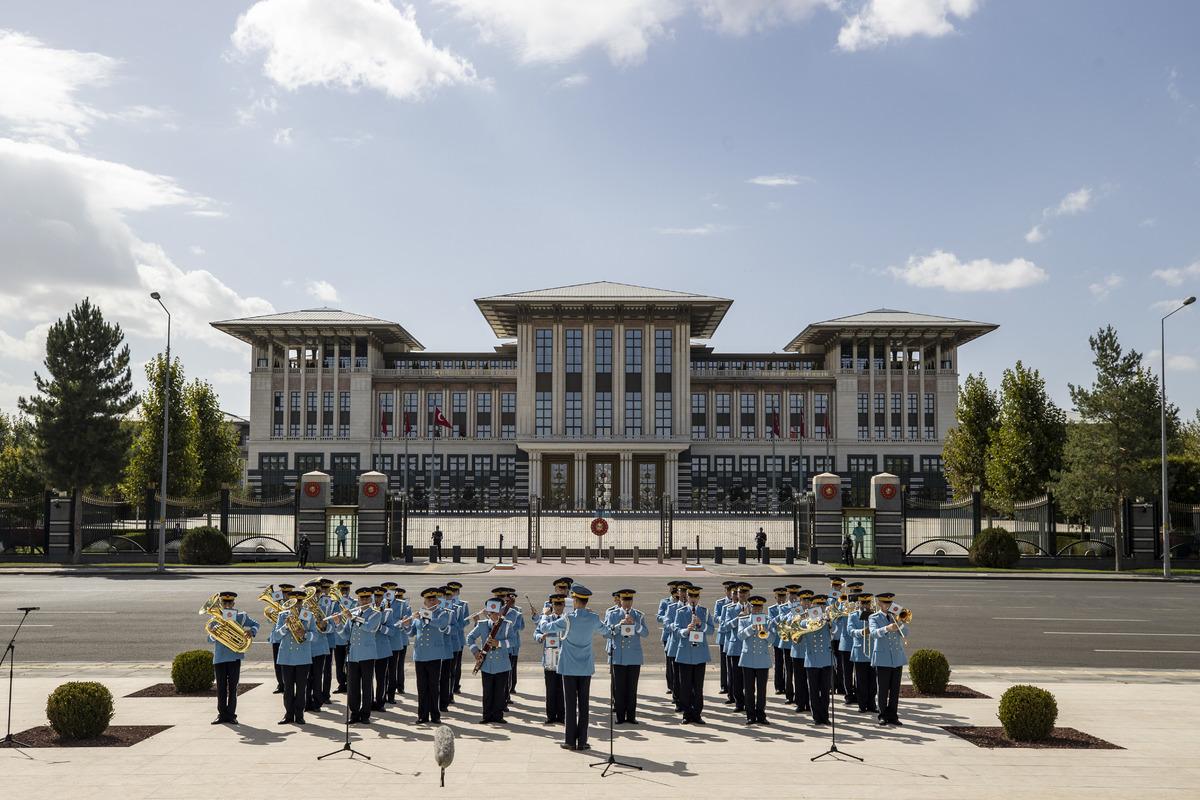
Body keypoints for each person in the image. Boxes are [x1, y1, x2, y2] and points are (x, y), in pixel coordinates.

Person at [539, 582, 603, 751]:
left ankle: (569, 740)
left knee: (570, 705)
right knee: (584, 705)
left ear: (574, 600)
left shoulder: (567, 619)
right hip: (585, 667)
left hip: (568, 667)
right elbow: (607, 631)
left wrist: (545, 614)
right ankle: (582, 741)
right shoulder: (593, 617)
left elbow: (545, 627)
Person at [207, 591, 259, 725]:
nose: (227, 605)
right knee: (221, 687)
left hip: (235, 657)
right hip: (219, 657)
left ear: (234, 603)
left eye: (230, 603)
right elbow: (209, 639)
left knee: (233, 687)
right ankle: (221, 714)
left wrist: (251, 632)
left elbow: (256, 624)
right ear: (221, 603)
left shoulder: (241, 616)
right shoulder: (215, 619)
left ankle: (231, 715)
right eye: (225, 602)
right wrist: (215, 633)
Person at [404, 586, 451, 724]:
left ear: (437, 600)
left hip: (434, 655)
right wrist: (407, 624)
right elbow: (412, 632)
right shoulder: (419, 614)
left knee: (433, 687)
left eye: (434, 598)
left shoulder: (443, 613)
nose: (431, 601)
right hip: (420, 655)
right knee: (422, 687)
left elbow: (440, 624)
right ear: (424, 601)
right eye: (428, 599)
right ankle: (422, 715)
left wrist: (425, 615)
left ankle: (435, 715)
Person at [670, 584, 714, 725]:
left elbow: (711, 630)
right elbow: (676, 630)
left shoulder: (704, 611)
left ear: (699, 597)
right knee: (685, 686)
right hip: (684, 653)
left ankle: (697, 714)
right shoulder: (681, 611)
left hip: (700, 654)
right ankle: (687, 713)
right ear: (687, 597)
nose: (693, 599)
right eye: (691, 596)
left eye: (696, 596)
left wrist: (701, 624)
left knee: (698, 686)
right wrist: (686, 630)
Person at [604, 589, 648, 725]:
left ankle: (631, 716)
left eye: (629, 600)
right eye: (624, 600)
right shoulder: (613, 614)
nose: (627, 604)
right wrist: (619, 625)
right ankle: (620, 716)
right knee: (619, 687)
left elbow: (645, 633)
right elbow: (606, 633)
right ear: (620, 601)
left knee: (632, 688)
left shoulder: (638, 615)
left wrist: (635, 624)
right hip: (619, 656)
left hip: (634, 657)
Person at [273, 588, 317, 725]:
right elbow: (275, 636)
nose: (296, 604)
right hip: (286, 656)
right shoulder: (282, 615)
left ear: (302, 601)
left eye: (299, 601)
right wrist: (285, 627)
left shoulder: (308, 615)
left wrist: (304, 634)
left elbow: (315, 636)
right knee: (288, 688)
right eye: (294, 601)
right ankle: (288, 714)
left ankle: (299, 715)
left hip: (303, 657)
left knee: (301, 688)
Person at [339, 586, 381, 724]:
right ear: (358, 599)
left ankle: (365, 715)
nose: (364, 600)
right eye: (362, 598)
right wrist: (338, 624)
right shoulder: (354, 612)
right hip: (353, 655)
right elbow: (346, 634)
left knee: (366, 686)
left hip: (367, 655)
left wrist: (354, 618)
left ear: (371, 599)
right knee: (352, 687)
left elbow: (369, 627)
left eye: (367, 598)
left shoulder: (375, 613)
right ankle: (354, 713)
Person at [467, 598, 513, 724]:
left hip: (502, 664)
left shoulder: (507, 624)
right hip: (487, 664)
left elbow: (515, 641)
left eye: (497, 613)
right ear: (488, 613)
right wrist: (475, 651)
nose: (495, 616)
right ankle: (487, 715)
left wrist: (500, 643)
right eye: (492, 613)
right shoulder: (482, 624)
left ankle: (498, 716)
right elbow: (469, 638)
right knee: (487, 691)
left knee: (500, 692)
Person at [870, 591, 908, 727]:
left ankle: (893, 715)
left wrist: (900, 622)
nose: (888, 605)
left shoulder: (895, 617)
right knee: (883, 688)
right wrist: (887, 628)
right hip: (882, 657)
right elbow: (873, 634)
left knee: (895, 689)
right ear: (879, 603)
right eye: (885, 603)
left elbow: (906, 633)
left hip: (896, 658)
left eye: (890, 603)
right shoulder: (874, 617)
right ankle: (882, 715)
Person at [736, 595, 775, 725]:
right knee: (748, 689)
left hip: (762, 660)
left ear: (762, 608)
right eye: (754, 607)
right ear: (750, 607)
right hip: (748, 659)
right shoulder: (744, 620)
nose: (757, 610)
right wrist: (752, 627)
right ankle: (750, 715)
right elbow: (740, 636)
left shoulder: (768, 621)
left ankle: (761, 714)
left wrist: (765, 632)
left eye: (759, 607)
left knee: (762, 690)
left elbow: (773, 640)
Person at [534, 593, 567, 724]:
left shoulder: (567, 619)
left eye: (560, 604)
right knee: (551, 688)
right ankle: (551, 715)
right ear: (552, 605)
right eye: (555, 604)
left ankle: (562, 715)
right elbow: (536, 632)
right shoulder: (546, 619)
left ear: (564, 605)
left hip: (564, 655)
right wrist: (540, 637)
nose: (558, 607)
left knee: (562, 688)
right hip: (550, 655)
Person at [720, 582, 752, 712]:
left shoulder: (754, 607)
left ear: (749, 594)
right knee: (736, 677)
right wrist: (738, 618)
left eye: (745, 593)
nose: (742, 595)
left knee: (748, 679)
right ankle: (739, 703)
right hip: (735, 646)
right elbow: (724, 626)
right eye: (740, 593)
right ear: (737, 594)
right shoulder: (730, 608)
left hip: (749, 646)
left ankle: (749, 702)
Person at [848, 593, 879, 715]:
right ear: (859, 603)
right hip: (860, 651)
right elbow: (850, 631)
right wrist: (862, 632)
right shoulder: (853, 615)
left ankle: (871, 704)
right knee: (861, 681)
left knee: (872, 681)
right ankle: (862, 705)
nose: (866, 605)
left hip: (872, 651)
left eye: (868, 603)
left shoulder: (874, 615)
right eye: (863, 603)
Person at [302, 580, 330, 714]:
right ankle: (306, 702)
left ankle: (317, 702)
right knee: (306, 677)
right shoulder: (302, 607)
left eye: (317, 592)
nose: (315, 595)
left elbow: (332, 627)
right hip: (306, 647)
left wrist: (324, 625)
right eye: (312, 592)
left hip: (319, 647)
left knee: (318, 676)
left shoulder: (325, 605)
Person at [269, 582, 295, 694]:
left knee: (289, 662)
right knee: (277, 662)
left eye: (288, 593)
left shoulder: (293, 605)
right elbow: (269, 620)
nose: (285, 595)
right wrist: (272, 614)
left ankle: (289, 683)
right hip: (277, 636)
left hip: (289, 636)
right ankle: (280, 684)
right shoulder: (277, 603)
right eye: (283, 593)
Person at [386, 585, 410, 702]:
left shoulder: (402, 604)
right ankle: (382, 694)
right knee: (382, 670)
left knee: (394, 668)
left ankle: (392, 694)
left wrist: (400, 624)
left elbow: (406, 621)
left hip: (396, 640)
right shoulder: (380, 603)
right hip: (383, 641)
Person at [372, 586, 394, 711]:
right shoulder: (367, 610)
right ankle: (369, 702)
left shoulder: (388, 612)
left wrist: (380, 627)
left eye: (379, 596)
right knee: (368, 679)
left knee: (381, 679)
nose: (377, 599)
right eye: (375, 596)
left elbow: (391, 632)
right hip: (368, 649)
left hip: (382, 649)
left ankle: (380, 703)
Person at [331, 580, 354, 694]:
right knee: (339, 664)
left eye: (346, 589)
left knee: (349, 664)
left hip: (350, 638)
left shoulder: (354, 602)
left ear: (349, 590)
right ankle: (341, 684)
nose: (344, 592)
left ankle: (350, 684)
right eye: (342, 590)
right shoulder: (335, 603)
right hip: (338, 638)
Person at [714, 581, 736, 695]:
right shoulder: (720, 603)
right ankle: (724, 685)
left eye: (730, 590)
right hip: (723, 635)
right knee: (724, 663)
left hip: (733, 636)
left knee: (733, 664)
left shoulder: (737, 604)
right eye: (727, 590)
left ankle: (733, 686)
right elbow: (716, 617)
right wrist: (722, 620)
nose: (729, 592)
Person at [767, 586, 789, 697]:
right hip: (777, 640)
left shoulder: (789, 607)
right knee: (779, 663)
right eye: (779, 596)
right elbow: (771, 624)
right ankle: (778, 686)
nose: (781, 599)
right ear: (775, 597)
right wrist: (780, 616)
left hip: (788, 639)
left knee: (788, 665)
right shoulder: (772, 609)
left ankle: (787, 686)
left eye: (783, 596)